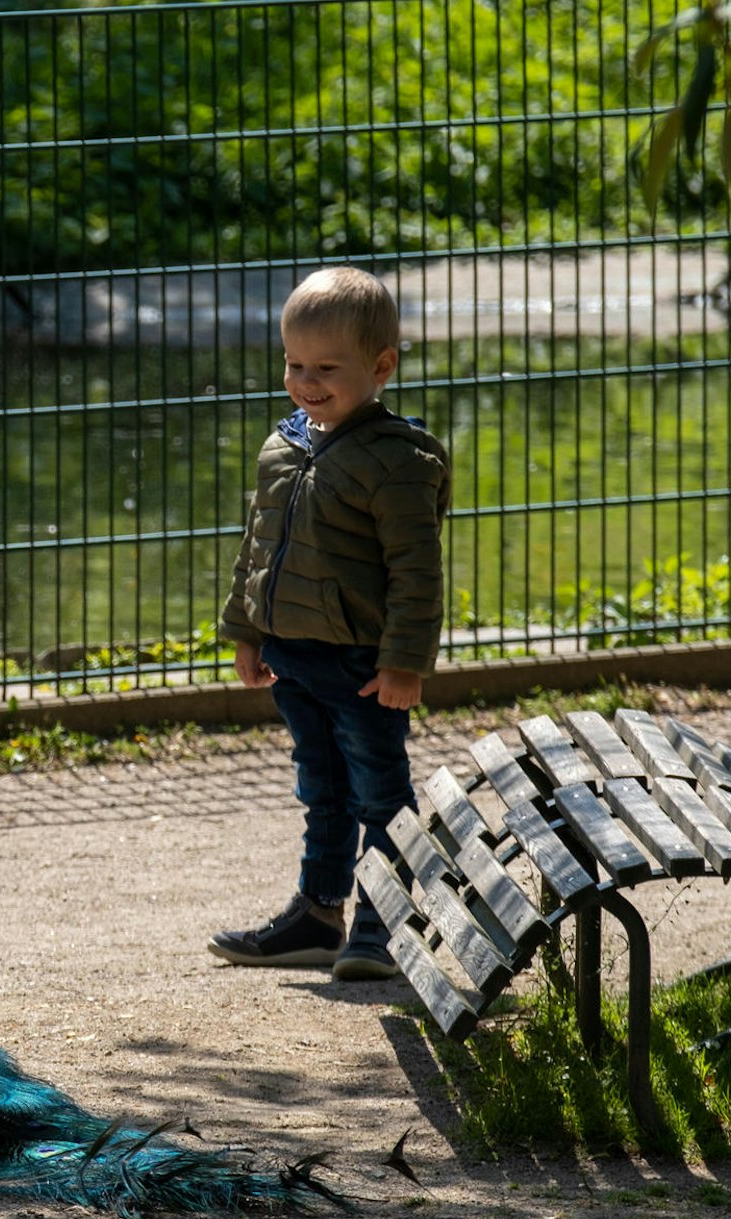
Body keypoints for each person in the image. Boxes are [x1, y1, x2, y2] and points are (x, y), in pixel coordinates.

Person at [207, 266, 451, 981]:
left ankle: (386, 921)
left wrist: (404, 661)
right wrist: (247, 630)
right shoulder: (284, 445)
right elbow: (257, 546)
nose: (305, 382)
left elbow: (416, 572)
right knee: (323, 790)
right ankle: (318, 915)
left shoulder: (398, 460)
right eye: (294, 364)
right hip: (293, 656)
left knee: (380, 793)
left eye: (326, 368)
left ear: (382, 367)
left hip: (362, 667)